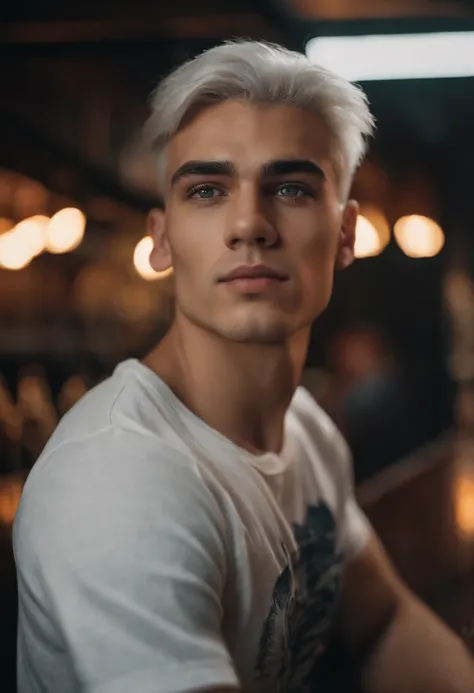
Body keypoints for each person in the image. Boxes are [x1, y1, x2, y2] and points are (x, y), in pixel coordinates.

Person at [13, 40, 474, 693]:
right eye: (207, 190)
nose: (250, 224)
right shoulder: (118, 479)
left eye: (289, 187)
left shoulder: (305, 429)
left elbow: (385, 621)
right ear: (163, 238)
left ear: (345, 234)